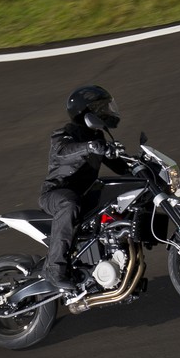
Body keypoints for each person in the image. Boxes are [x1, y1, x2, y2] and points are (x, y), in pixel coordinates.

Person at [39, 84, 127, 293]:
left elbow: (121, 167)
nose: (107, 111)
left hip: (83, 196)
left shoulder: (98, 139)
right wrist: (88, 147)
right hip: (56, 194)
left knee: (119, 198)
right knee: (69, 204)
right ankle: (54, 269)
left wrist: (143, 168)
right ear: (86, 112)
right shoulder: (65, 134)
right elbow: (62, 152)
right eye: (102, 108)